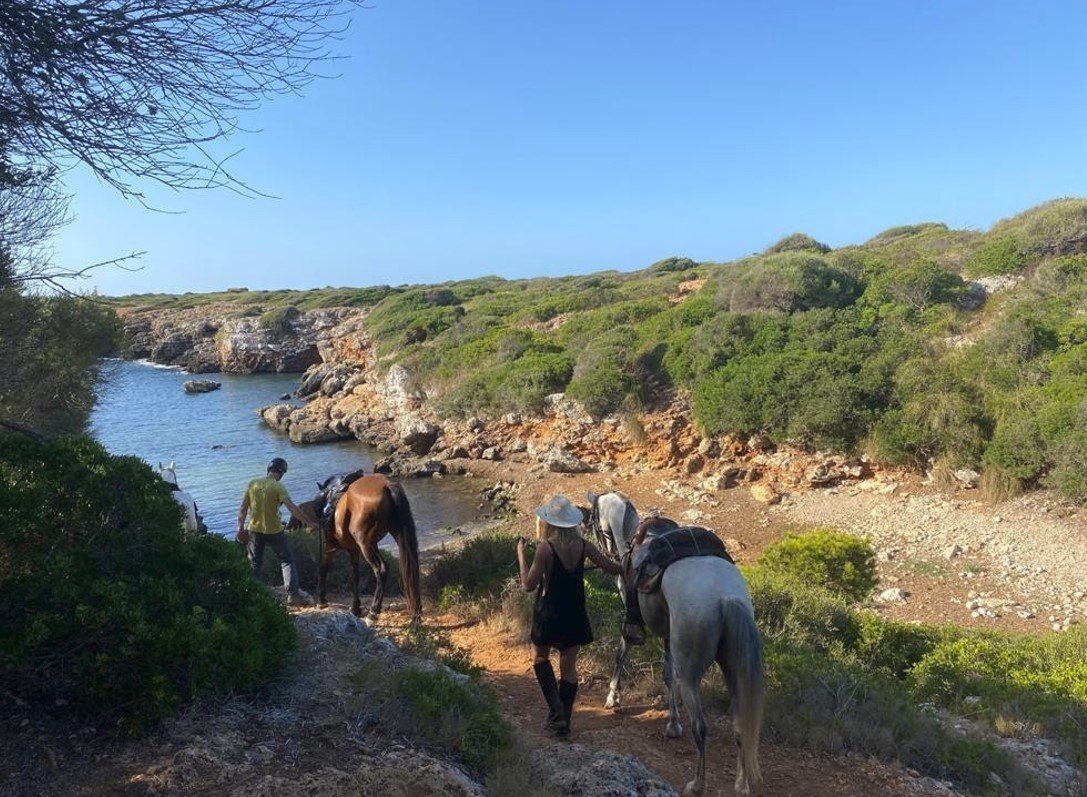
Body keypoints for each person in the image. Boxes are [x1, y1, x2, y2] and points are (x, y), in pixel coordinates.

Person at [516, 494, 622, 737]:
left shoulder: (545, 548)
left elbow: (528, 585)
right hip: (575, 613)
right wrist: (625, 562)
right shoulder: (584, 546)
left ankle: (556, 714)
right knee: (569, 667)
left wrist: (521, 555)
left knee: (540, 658)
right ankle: (563, 721)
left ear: (549, 523)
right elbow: (611, 568)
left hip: (548, 613)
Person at [237, 457, 314, 606]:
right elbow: (292, 508)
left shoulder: (252, 484)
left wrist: (239, 528)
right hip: (275, 531)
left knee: (254, 563)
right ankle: (292, 595)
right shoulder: (278, 487)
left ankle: (252, 596)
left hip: (254, 530)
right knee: (286, 560)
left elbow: (243, 508)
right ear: (281, 473)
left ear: (268, 470)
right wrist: (309, 522)